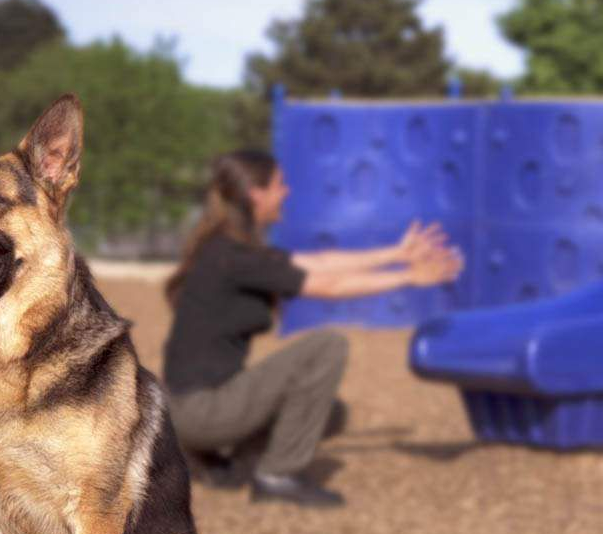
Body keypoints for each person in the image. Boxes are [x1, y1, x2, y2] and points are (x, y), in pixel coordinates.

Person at [162, 149, 463, 508]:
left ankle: (224, 461)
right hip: (200, 412)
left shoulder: (230, 250)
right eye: (279, 184)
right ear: (255, 193)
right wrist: (411, 277)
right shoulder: (233, 256)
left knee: (331, 413)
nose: (286, 192)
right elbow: (328, 285)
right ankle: (276, 475)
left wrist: (397, 254)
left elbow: (321, 262)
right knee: (326, 347)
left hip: (190, 412)